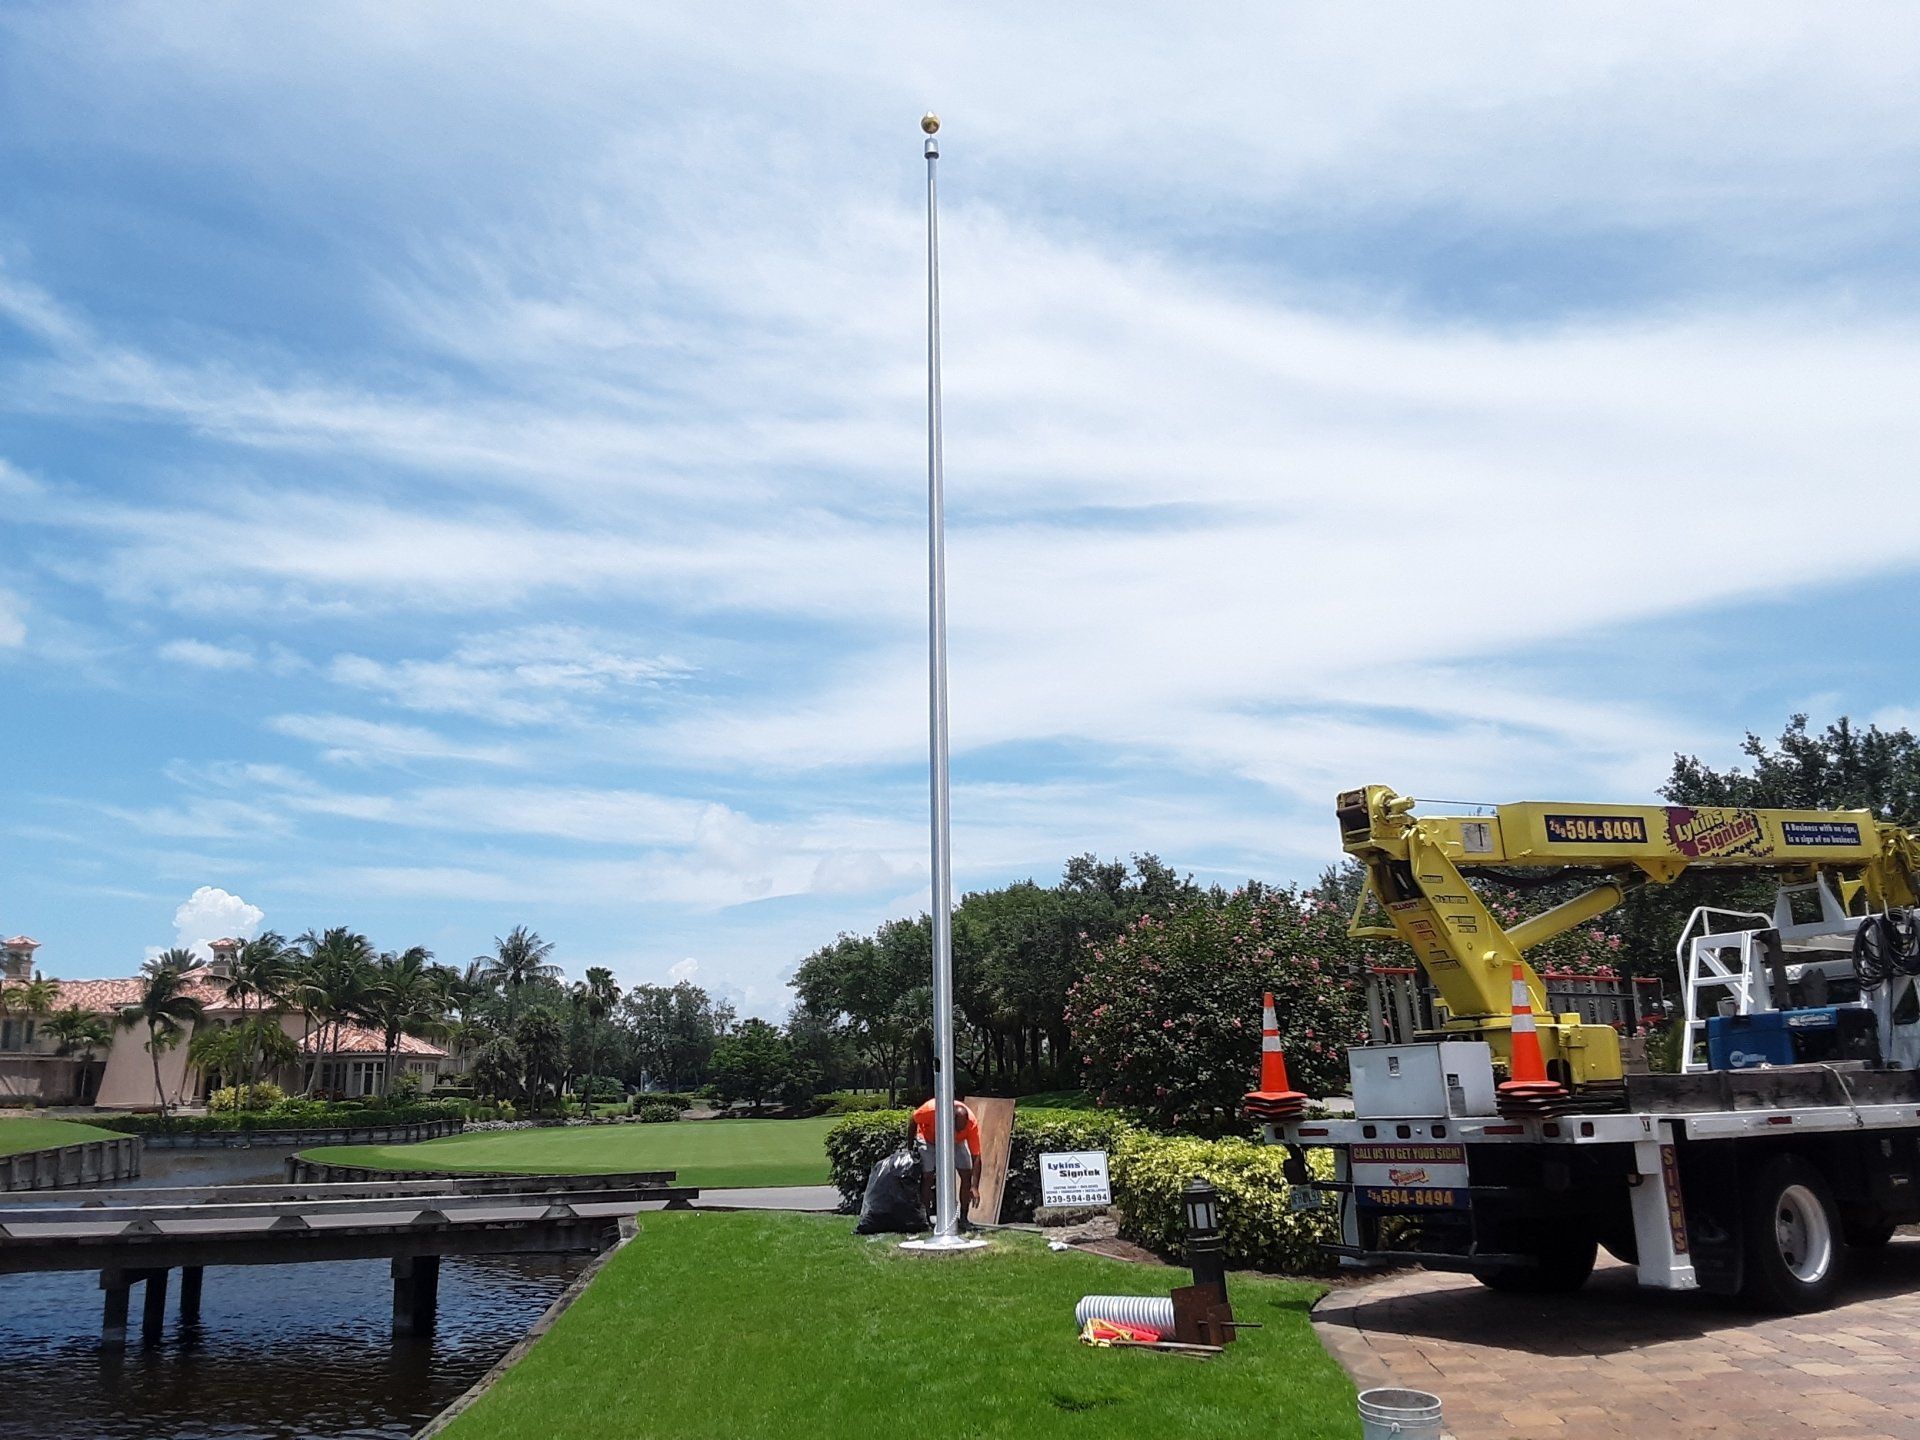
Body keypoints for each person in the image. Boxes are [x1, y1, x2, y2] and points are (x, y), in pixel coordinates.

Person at [909, 1097, 981, 1228]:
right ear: (949, 1118)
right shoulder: (930, 1110)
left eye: (961, 1130)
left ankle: (964, 1218)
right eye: (956, 1128)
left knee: (966, 1175)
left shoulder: (971, 1124)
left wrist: (974, 1186)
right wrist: (909, 1148)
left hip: (956, 1143)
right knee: (928, 1176)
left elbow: (976, 1157)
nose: (958, 1132)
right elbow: (913, 1120)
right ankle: (926, 1218)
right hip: (928, 1139)